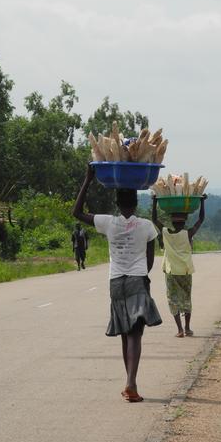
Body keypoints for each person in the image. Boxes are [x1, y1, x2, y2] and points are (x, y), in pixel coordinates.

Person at [72, 164, 162, 403]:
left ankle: (128, 382)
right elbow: (150, 260)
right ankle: (131, 382)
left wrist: (88, 179)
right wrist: (140, 274)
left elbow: (77, 212)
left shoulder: (108, 223)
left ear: (117, 203)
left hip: (116, 283)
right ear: (136, 202)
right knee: (135, 335)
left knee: (125, 333)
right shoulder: (146, 226)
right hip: (137, 281)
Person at [152, 194, 207, 338]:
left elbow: (154, 219)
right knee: (186, 298)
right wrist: (202, 201)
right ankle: (188, 328)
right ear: (184, 222)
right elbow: (201, 219)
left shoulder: (165, 232)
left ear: (171, 222)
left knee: (173, 299)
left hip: (171, 272)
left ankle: (180, 330)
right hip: (185, 271)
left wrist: (154, 201)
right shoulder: (188, 233)